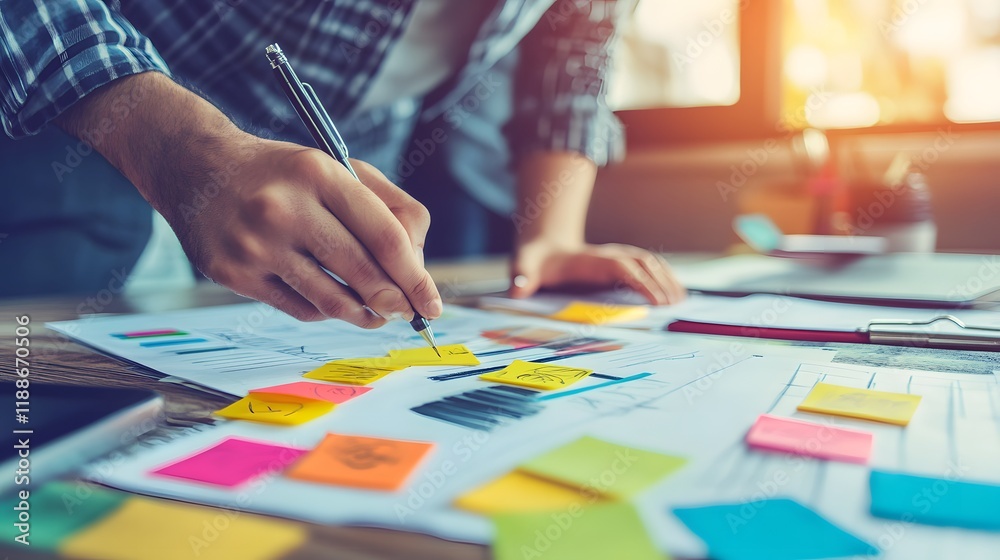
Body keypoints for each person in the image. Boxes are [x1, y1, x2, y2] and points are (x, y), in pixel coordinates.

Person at [0, 0, 685, 325]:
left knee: (256, 385)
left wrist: (553, 236)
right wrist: (195, 155)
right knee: (54, 392)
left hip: (351, 143)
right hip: (81, 108)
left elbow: (580, 30)